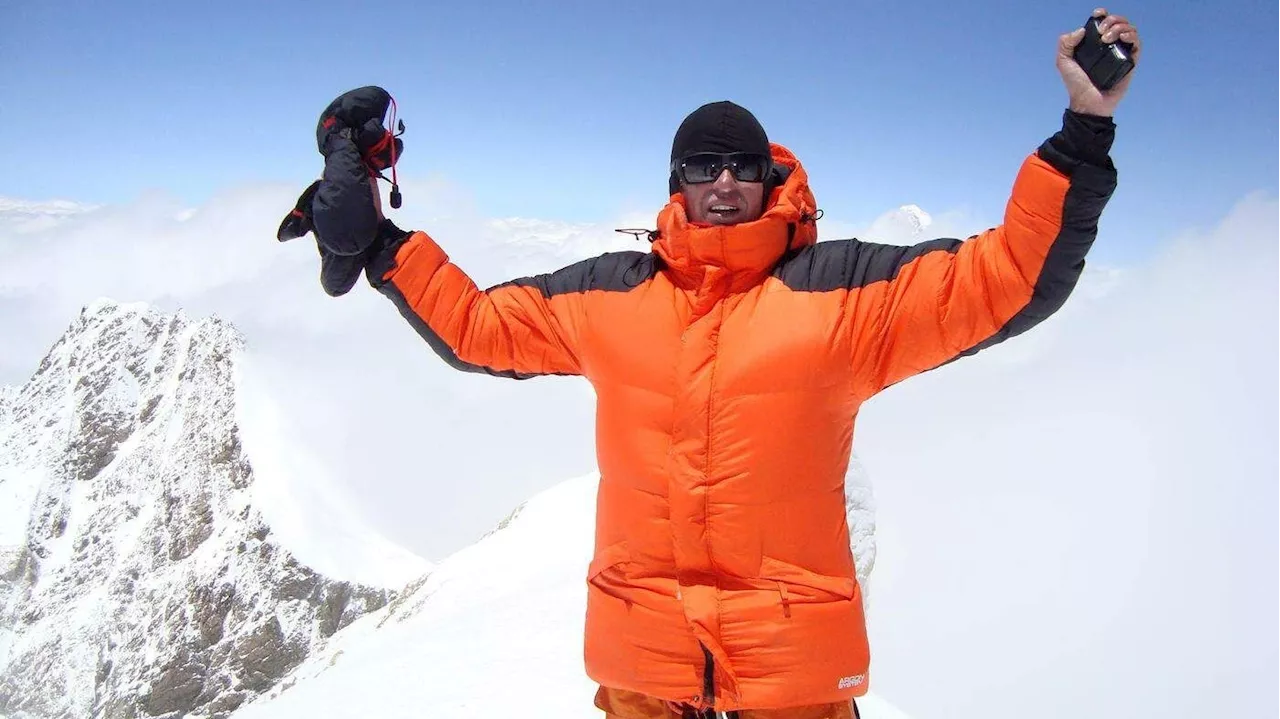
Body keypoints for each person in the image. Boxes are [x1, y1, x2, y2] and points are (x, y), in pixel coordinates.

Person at [295, 9, 1140, 719]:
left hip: (793, 684)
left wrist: (1083, 131)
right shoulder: (611, 294)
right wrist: (380, 243)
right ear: (678, 182)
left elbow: (1008, 279)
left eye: (744, 165)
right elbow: (478, 327)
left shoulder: (846, 294)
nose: (726, 180)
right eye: (706, 165)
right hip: (643, 675)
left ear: (772, 179)